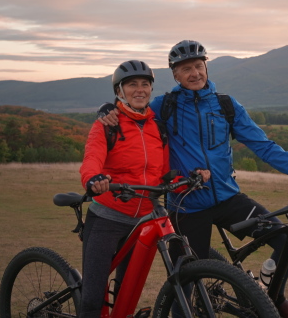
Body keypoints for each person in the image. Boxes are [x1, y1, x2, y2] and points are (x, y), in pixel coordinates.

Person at [98, 41, 288, 318]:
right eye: (186, 69)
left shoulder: (225, 105)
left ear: (206, 67)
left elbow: (264, 145)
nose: (195, 73)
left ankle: (273, 298)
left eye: (199, 66)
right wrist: (106, 109)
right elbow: (132, 113)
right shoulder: (164, 106)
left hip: (228, 198)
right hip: (186, 206)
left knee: (285, 239)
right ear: (175, 75)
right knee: (184, 282)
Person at [78, 59, 210, 318]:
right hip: (107, 218)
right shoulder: (107, 125)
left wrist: (189, 178)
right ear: (119, 91)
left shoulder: (157, 128)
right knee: (93, 299)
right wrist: (93, 179)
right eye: (131, 85)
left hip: (141, 223)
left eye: (145, 84)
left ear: (151, 89)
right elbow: (92, 158)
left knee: (127, 293)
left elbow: (162, 175)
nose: (139, 90)